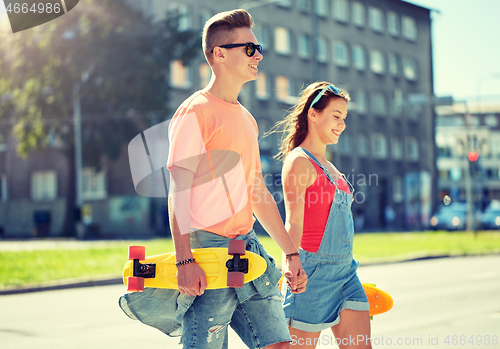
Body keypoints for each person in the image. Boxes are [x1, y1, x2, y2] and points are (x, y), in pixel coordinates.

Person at [120, 9, 306, 349]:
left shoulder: (247, 119)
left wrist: (291, 253)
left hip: (247, 251)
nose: (259, 55)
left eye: (258, 47)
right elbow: (178, 190)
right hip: (208, 259)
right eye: (250, 48)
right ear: (219, 54)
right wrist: (185, 259)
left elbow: (257, 191)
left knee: (280, 345)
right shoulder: (196, 111)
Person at [275, 82, 372, 348]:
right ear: (313, 114)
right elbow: (293, 221)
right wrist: (290, 262)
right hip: (311, 274)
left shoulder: (329, 166)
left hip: (345, 272)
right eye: (336, 116)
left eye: (344, 118)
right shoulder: (299, 162)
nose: (341, 124)